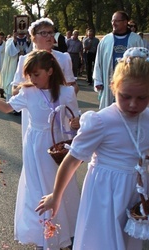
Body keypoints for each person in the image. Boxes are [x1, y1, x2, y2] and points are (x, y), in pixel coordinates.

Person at [0, 50, 80, 249]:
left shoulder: (66, 92)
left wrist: (77, 123)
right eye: (30, 75)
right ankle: (43, 234)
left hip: (57, 144)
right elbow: (7, 108)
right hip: (35, 146)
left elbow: (73, 119)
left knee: (59, 185)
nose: (32, 79)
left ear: (50, 71)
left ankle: (62, 233)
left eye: (37, 74)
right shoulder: (28, 92)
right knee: (37, 188)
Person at [36, 47, 149, 250]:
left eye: (142, 98)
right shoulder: (101, 121)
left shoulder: (147, 117)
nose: (133, 104)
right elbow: (72, 160)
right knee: (103, 241)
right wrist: (56, 195)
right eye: (126, 96)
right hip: (105, 192)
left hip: (135, 190)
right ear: (113, 87)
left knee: (128, 240)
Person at [93, 11, 143, 109]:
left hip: (129, 81)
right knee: (108, 110)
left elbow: (142, 62)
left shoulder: (136, 40)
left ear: (125, 22)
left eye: (117, 21)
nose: (113, 23)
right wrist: (98, 80)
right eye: (112, 21)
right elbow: (98, 61)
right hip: (109, 81)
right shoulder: (106, 40)